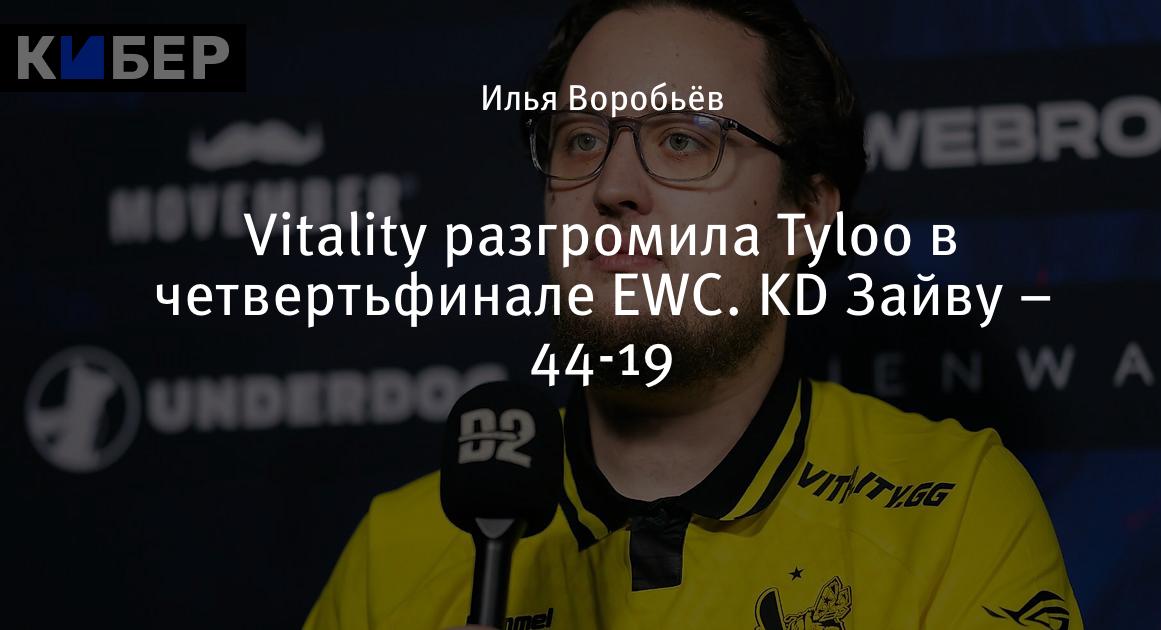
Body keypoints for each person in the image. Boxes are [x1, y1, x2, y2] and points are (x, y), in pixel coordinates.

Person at [305, 1, 1083, 628]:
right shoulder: (395, 554)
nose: (612, 187)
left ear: (807, 213)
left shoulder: (952, 509)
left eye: (683, 140)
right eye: (581, 139)